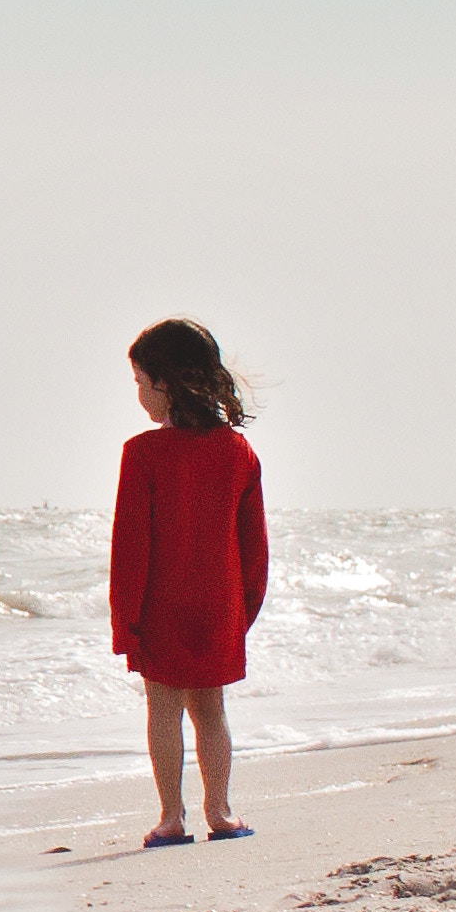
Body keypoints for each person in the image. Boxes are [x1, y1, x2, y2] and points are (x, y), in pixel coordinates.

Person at [109, 318, 269, 847]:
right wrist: (242, 612)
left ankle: (171, 817)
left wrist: (124, 622)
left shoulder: (143, 454)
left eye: (139, 382)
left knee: (163, 710)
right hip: (219, 606)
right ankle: (220, 812)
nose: (138, 395)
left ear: (167, 383)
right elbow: (254, 549)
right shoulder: (239, 453)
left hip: (162, 609)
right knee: (211, 711)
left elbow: (130, 549)